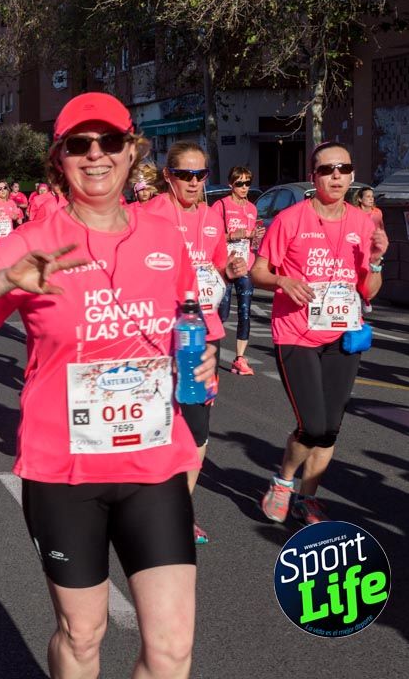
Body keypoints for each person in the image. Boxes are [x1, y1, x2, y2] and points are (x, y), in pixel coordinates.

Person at [0, 92, 214, 679]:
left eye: (109, 142)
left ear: (131, 151)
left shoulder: (164, 237)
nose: (96, 155)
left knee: (171, 649)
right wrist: (7, 278)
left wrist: (204, 360)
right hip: (65, 469)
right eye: (78, 145)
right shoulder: (35, 240)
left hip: (153, 462)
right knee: (83, 636)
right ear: (58, 158)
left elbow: (192, 324)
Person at [255, 141, 388, 525]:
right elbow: (258, 270)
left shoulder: (363, 224)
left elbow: (368, 292)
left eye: (343, 169)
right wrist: (283, 281)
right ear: (314, 177)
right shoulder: (290, 219)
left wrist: (376, 261)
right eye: (327, 169)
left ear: (351, 175)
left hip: (343, 334)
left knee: (330, 427)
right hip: (296, 332)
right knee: (311, 424)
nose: (336, 176)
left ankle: (306, 498)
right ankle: (283, 482)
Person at [145, 142, 246, 545]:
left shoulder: (210, 217)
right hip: (156, 334)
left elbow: (220, 260)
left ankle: (178, 511)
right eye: (184, 174)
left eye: (200, 174)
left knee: (198, 427)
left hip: (204, 333)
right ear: (168, 175)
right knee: (157, 422)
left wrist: (232, 267)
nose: (193, 182)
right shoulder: (150, 213)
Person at [212, 166, 261, 375]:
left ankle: (240, 358)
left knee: (245, 312)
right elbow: (212, 237)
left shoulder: (252, 208)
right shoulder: (220, 206)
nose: (244, 187)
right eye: (239, 183)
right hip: (223, 267)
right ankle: (209, 352)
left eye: (247, 182)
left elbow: (253, 240)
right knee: (220, 314)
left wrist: (256, 237)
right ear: (231, 184)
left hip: (244, 266)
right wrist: (233, 235)